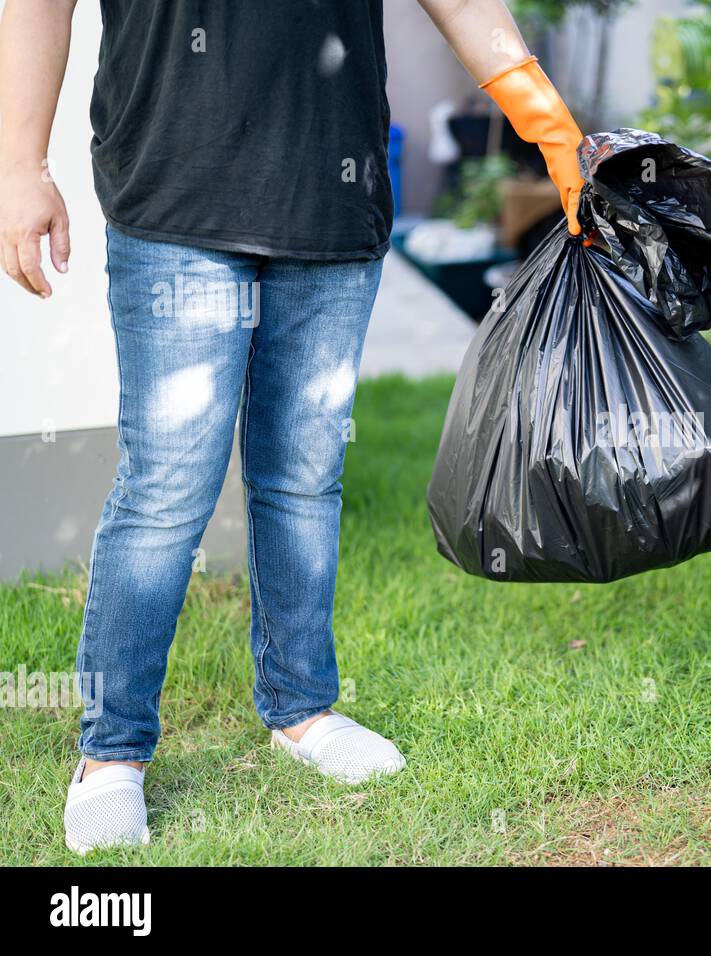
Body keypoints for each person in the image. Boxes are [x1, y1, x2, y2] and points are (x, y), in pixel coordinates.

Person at [0, 0, 585, 854]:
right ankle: (111, 754)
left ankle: (302, 708)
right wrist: (20, 164)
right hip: (173, 191)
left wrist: (547, 118)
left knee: (305, 473)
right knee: (168, 485)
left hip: (332, 196)